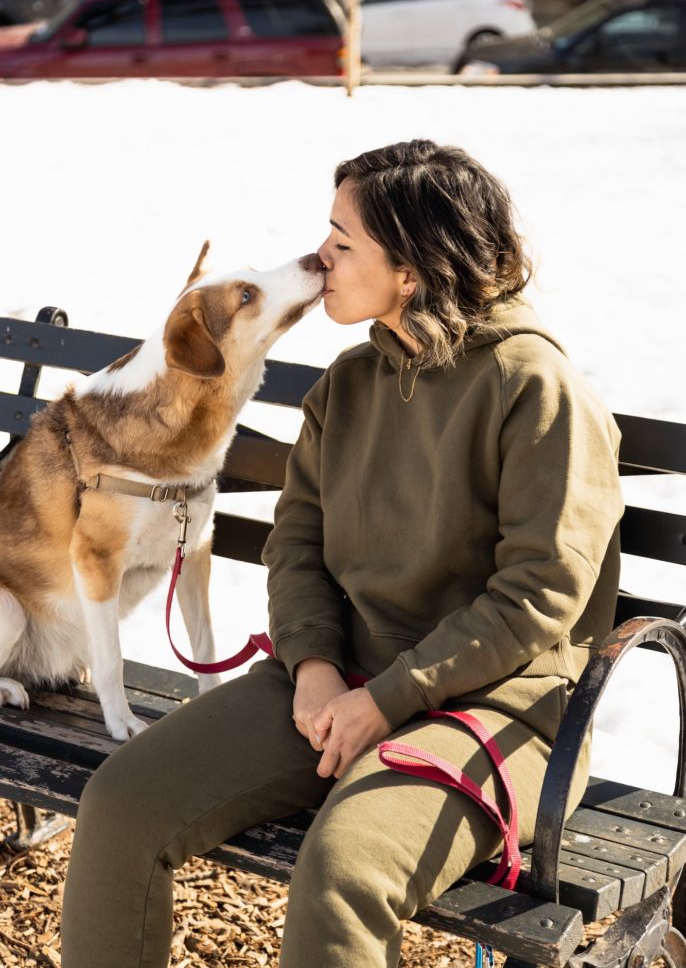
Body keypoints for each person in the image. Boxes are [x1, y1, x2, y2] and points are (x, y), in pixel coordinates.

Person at [61, 139, 623, 968]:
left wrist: (390, 698)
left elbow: (539, 595)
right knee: (122, 802)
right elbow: (298, 545)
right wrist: (315, 662)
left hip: (499, 713)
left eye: (344, 241)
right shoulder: (351, 383)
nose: (320, 256)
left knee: (341, 871)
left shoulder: (534, 388)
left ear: (412, 269)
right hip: (335, 685)